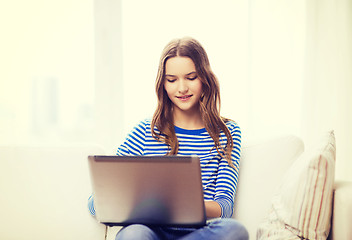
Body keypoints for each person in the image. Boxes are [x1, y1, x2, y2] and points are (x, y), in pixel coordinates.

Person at [88, 37, 248, 240]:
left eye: (191, 77)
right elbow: (95, 203)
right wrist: (143, 203)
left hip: (200, 233)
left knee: (234, 230)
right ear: (162, 84)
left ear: (205, 78)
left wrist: (177, 203)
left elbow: (224, 207)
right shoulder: (145, 131)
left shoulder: (227, 132)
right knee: (133, 234)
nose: (182, 88)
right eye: (171, 80)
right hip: (148, 232)